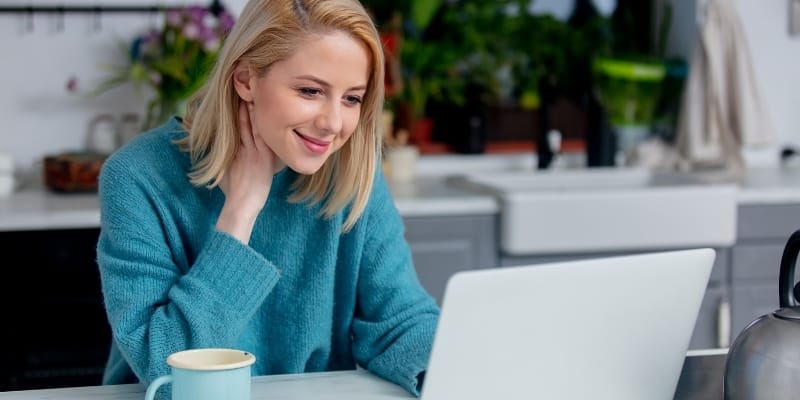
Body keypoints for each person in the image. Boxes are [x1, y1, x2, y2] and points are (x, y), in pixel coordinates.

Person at [95, 0, 440, 397]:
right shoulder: (138, 176)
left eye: (352, 99)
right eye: (310, 91)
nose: (333, 124)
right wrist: (240, 212)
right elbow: (168, 372)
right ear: (245, 80)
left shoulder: (350, 172)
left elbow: (400, 322)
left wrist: (457, 368)